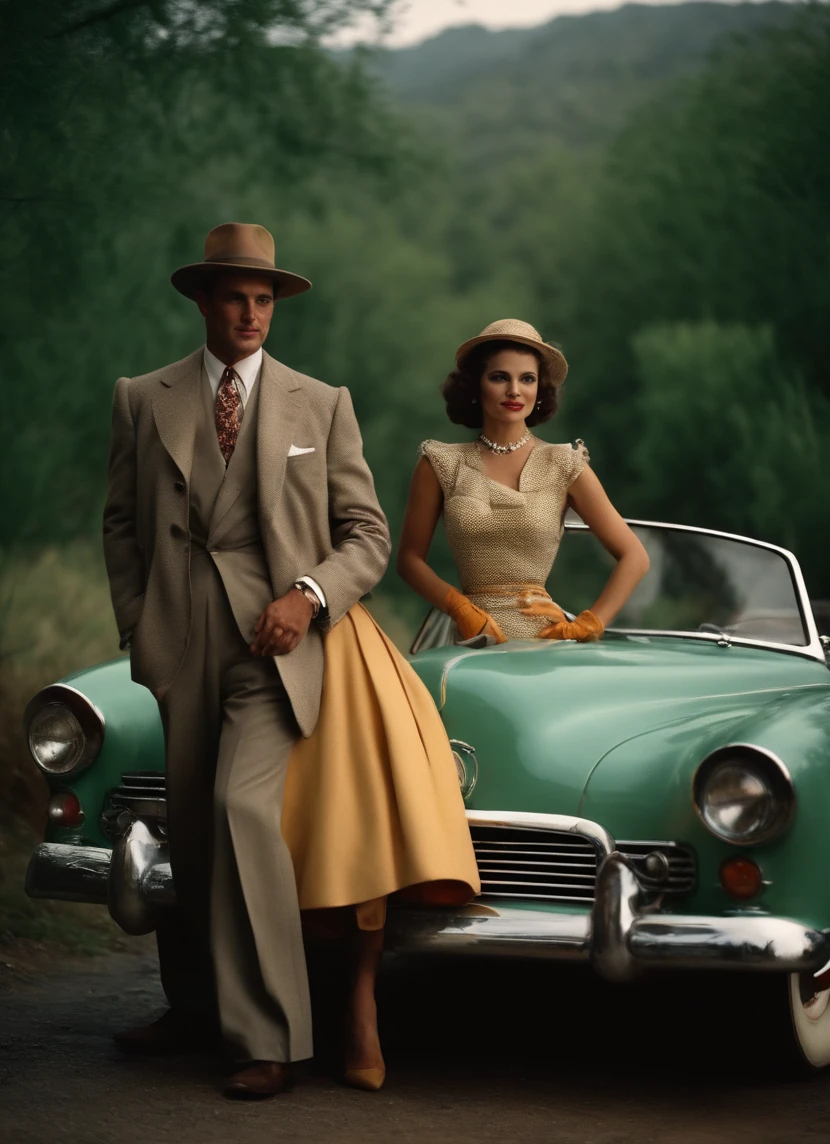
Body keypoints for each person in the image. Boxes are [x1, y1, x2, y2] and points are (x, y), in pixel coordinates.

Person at [103, 223, 478, 1099]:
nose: (250, 313)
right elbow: (120, 522)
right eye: (234, 296)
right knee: (194, 824)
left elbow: (369, 536)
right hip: (177, 634)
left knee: (240, 809)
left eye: (263, 299)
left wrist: (309, 596)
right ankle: (196, 1008)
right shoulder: (141, 397)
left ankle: (270, 1036)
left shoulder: (322, 402)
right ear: (202, 300)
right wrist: (137, 623)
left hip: (278, 643)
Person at [397, 318, 650, 645]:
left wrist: (590, 623)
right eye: (500, 377)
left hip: (546, 646)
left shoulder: (564, 463)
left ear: (539, 390)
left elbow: (636, 557)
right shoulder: (441, 462)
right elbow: (409, 561)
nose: (514, 390)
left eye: (527, 379)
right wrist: (459, 607)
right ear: (476, 385)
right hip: (471, 640)